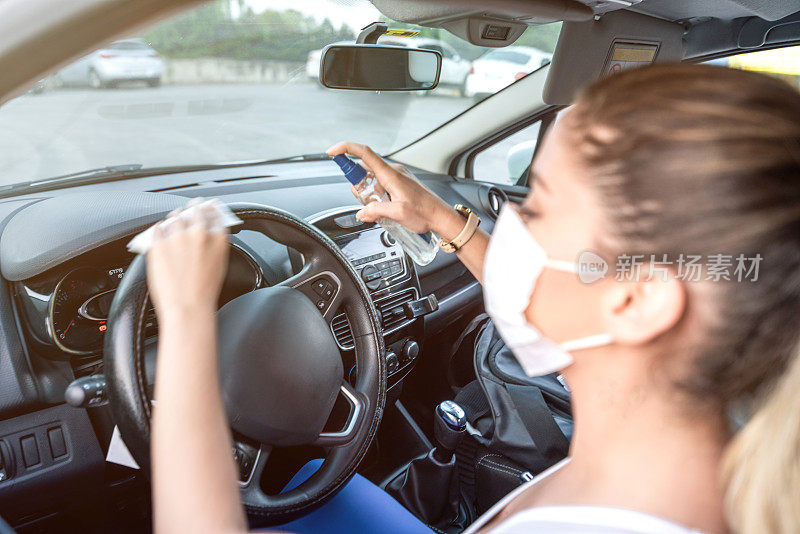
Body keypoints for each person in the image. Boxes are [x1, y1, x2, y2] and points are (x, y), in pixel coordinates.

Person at [147, 63, 800, 534]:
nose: (510, 229)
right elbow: (568, 283)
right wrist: (438, 218)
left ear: (637, 302)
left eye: (536, 209)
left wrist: (183, 323)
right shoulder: (683, 462)